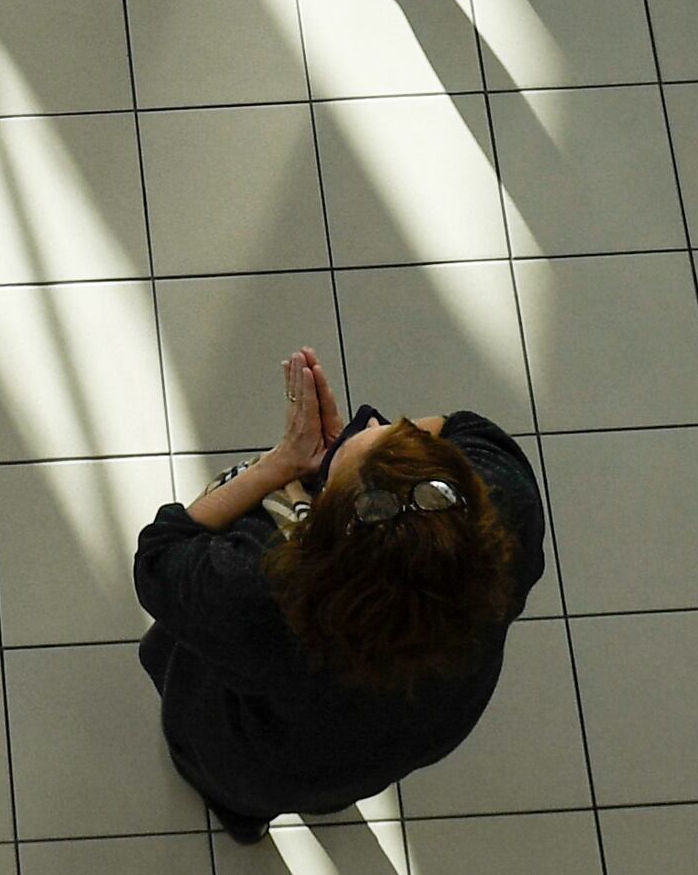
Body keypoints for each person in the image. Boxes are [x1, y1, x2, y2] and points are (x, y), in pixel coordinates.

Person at [138, 347, 548, 838]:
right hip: (418, 730)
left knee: (235, 785)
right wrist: (355, 458)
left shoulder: (262, 598)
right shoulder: (506, 509)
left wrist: (281, 464)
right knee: (338, 781)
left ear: (318, 531)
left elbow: (160, 554)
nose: (371, 423)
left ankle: (242, 817)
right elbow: (460, 427)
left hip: (268, 760)